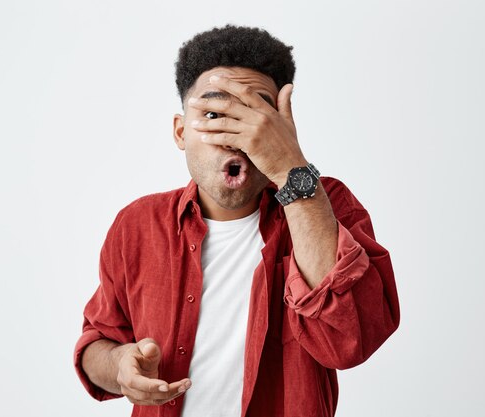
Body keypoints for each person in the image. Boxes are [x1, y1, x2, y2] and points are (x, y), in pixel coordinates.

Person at [74, 25, 400, 416]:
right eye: (213, 114)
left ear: (282, 128)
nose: (233, 135)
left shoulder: (329, 205)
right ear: (181, 132)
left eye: (254, 116)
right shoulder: (136, 225)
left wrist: (292, 169)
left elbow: (350, 341)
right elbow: (98, 341)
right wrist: (120, 365)